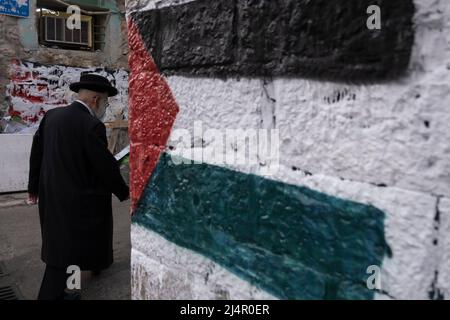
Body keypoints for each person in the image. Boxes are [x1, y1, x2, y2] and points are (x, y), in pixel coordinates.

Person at [27, 74, 130, 300]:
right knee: (64, 253)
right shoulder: (91, 125)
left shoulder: (52, 116)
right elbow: (104, 165)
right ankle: (54, 295)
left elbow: (37, 153)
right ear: (95, 100)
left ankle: (71, 287)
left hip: (51, 195)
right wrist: (123, 192)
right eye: (105, 101)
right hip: (79, 200)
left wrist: (33, 187)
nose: (105, 107)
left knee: (63, 244)